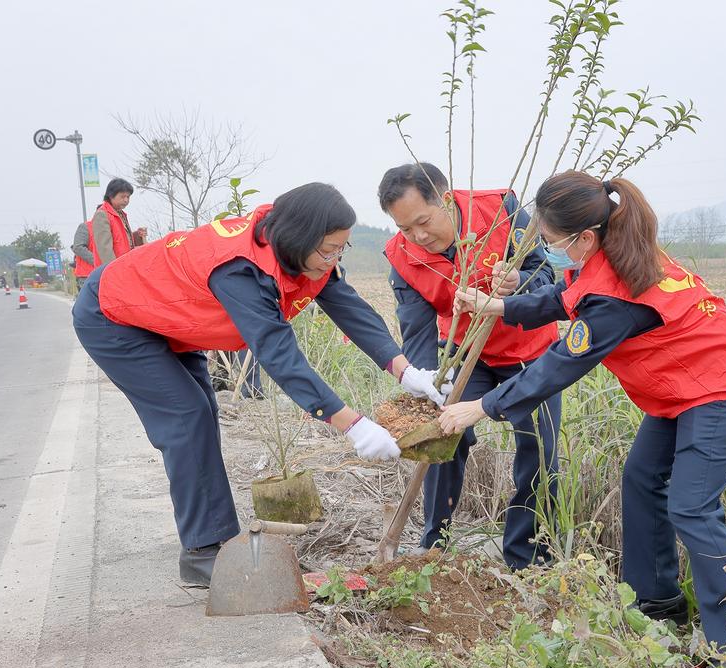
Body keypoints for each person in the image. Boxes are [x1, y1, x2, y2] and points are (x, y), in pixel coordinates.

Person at [440, 170, 726, 661]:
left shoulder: (616, 294)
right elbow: (564, 297)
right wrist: (500, 306)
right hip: (680, 390)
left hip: (718, 388)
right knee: (640, 478)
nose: (548, 251)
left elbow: (559, 364)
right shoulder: (608, 252)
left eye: (551, 242)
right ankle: (656, 603)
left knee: (692, 507)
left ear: (584, 236)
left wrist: (481, 406)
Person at [72, 182, 450, 587]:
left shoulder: (303, 253)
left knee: (201, 413)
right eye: (328, 250)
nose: (334, 259)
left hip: (170, 320)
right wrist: (353, 425)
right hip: (116, 315)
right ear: (300, 237)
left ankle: (213, 540)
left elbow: (350, 308)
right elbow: (279, 356)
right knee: (186, 417)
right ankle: (202, 554)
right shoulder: (241, 270)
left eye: (342, 249)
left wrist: (405, 370)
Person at [378, 162, 561, 570]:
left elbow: (546, 273)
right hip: (462, 351)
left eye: (423, 222)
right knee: (444, 437)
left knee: (539, 449)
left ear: (445, 198)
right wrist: (428, 384)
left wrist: (519, 282)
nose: (418, 236)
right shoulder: (401, 256)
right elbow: (418, 329)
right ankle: (434, 545)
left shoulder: (501, 210)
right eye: (406, 229)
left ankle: (527, 555)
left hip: (527, 349)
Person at [90, 178, 146, 267]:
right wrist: (114, 270)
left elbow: (122, 240)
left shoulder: (121, 214)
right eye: (123, 196)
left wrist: (137, 236)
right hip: (111, 271)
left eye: (128, 197)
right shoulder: (102, 214)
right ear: (111, 195)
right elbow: (105, 249)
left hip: (124, 266)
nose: (126, 200)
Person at [71, 221, 95, 290]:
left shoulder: (111, 228)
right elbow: (78, 247)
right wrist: (97, 261)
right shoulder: (86, 227)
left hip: (105, 274)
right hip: (87, 276)